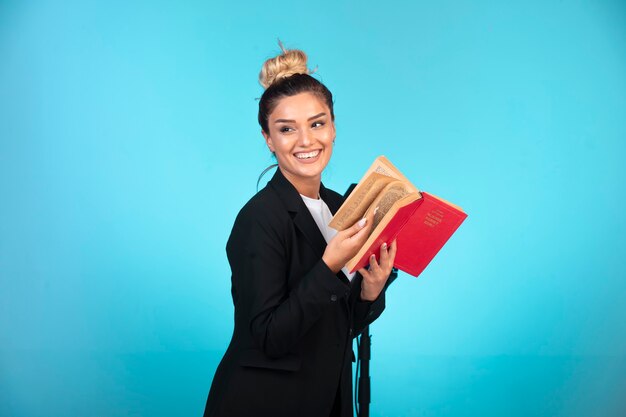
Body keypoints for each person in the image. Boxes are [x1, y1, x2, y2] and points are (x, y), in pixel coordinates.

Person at [203, 43, 397, 417]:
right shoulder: (258, 220)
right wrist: (327, 268)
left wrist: (369, 294)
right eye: (287, 129)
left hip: (326, 399)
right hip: (264, 403)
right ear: (268, 139)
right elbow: (269, 338)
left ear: (334, 127)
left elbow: (333, 328)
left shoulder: (342, 206)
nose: (306, 141)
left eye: (317, 123)